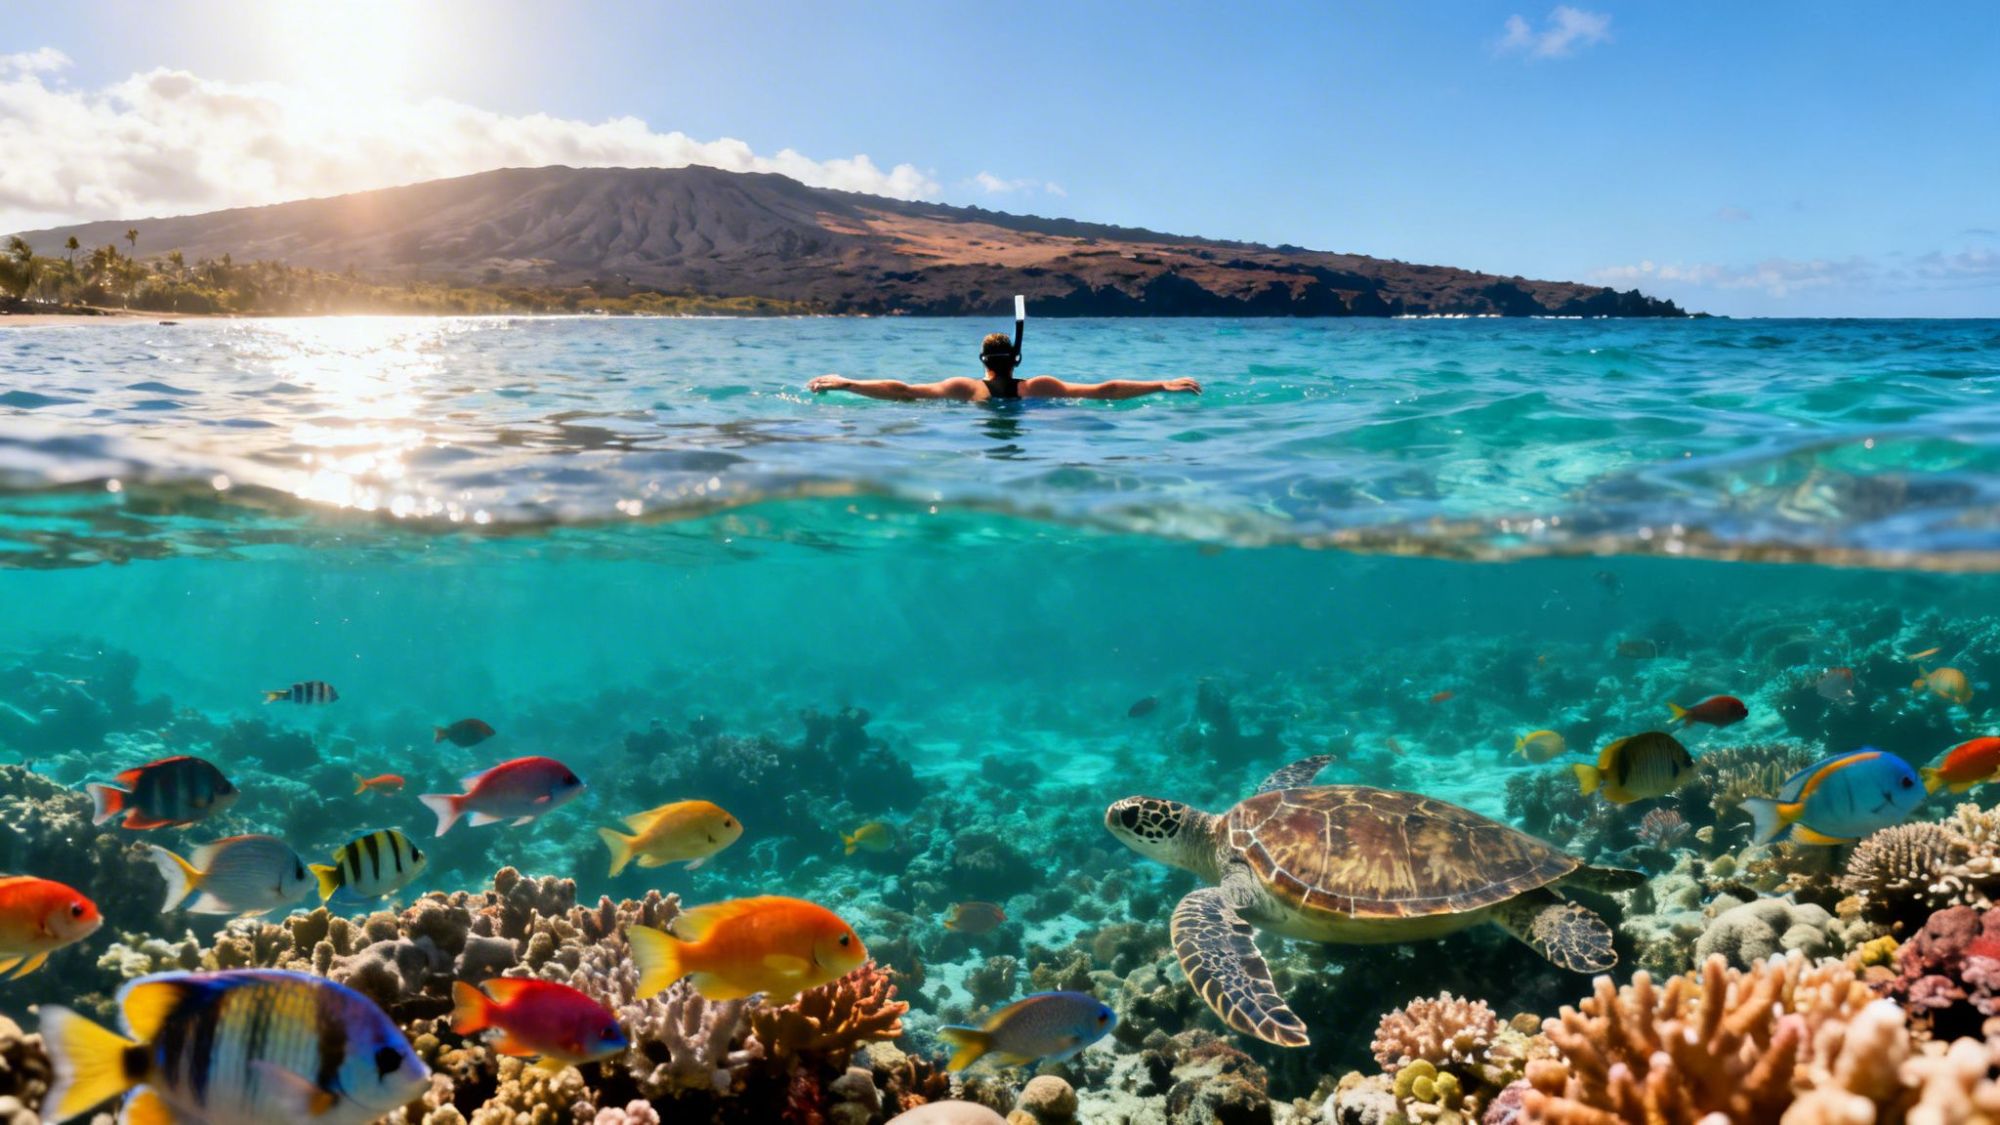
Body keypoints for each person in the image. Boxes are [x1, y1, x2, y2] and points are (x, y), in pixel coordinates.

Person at [807, 333, 1202, 402]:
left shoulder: (965, 389)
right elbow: (1106, 390)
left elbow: (903, 391)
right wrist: (1160, 385)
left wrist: (849, 383)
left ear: (983, 361)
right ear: (1016, 360)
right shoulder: (1040, 387)